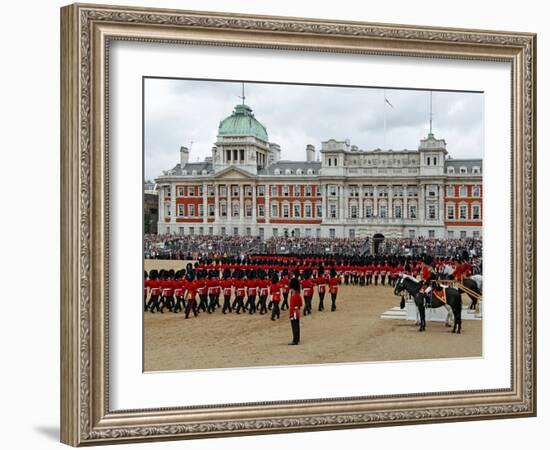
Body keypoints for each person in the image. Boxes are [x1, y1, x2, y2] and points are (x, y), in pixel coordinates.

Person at [288, 277, 303, 345]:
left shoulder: (293, 296)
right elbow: (300, 304)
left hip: (293, 312)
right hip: (297, 311)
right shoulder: (298, 295)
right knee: (297, 325)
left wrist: (290, 314)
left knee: (294, 326)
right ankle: (297, 339)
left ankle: (295, 340)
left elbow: (291, 307)